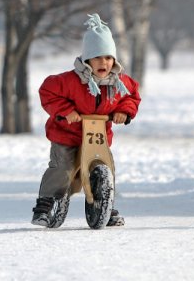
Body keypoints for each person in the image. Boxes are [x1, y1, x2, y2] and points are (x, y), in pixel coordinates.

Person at [31, 13, 141, 227]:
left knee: (106, 166)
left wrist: (124, 112)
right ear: (88, 59)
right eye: (98, 57)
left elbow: (132, 96)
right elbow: (47, 91)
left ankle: (105, 205)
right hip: (67, 134)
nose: (104, 62)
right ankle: (46, 203)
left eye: (109, 58)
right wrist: (66, 111)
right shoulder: (70, 81)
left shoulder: (119, 83)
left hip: (97, 137)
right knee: (62, 169)